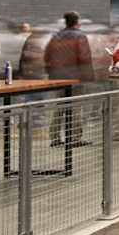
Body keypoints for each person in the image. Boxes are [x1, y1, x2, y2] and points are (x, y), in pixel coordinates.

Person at [44, 12, 94, 147]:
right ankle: (74, 137)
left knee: (58, 107)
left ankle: (54, 138)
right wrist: (89, 76)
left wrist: (50, 73)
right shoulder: (80, 36)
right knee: (76, 107)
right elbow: (84, 57)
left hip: (58, 77)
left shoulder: (56, 36)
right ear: (77, 21)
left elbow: (47, 55)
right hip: (76, 77)